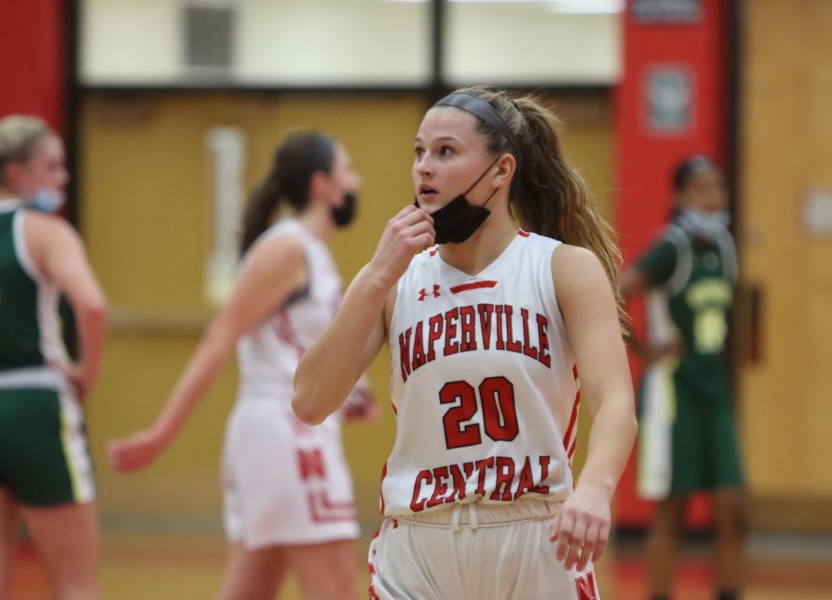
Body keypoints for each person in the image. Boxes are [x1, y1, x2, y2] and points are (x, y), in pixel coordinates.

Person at [293, 87, 637, 599]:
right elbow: (309, 401)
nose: (424, 168)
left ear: (501, 171)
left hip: (536, 535)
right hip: (418, 543)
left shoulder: (561, 268)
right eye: (419, 152)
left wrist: (595, 489)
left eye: (445, 152)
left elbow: (616, 401)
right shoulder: (395, 280)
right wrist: (373, 278)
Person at [107, 130, 375, 600]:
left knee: (248, 590)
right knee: (336, 592)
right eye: (348, 169)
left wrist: (350, 393)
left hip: (280, 432)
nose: (358, 180)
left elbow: (296, 346)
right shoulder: (286, 247)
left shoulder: (312, 251)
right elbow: (220, 336)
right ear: (322, 185)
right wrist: (161, 434)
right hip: (286, 432)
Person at [0, 115, 108, 600]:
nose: (63, 178)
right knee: (77, 582)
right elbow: (93, 305)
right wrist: (86, 374)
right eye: (51, 166)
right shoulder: (44, 231)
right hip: (35, 402)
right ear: (15, 173)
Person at [620, 155, 745, 600]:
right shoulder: (671, 247)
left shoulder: (724, 247)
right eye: (702, 189)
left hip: (714, 388)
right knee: (672, 511)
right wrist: (644, 348)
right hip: (673, 390)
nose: (713, 198)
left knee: (733, 505)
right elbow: (619, 292)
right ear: (681, 197)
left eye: (719, 188)